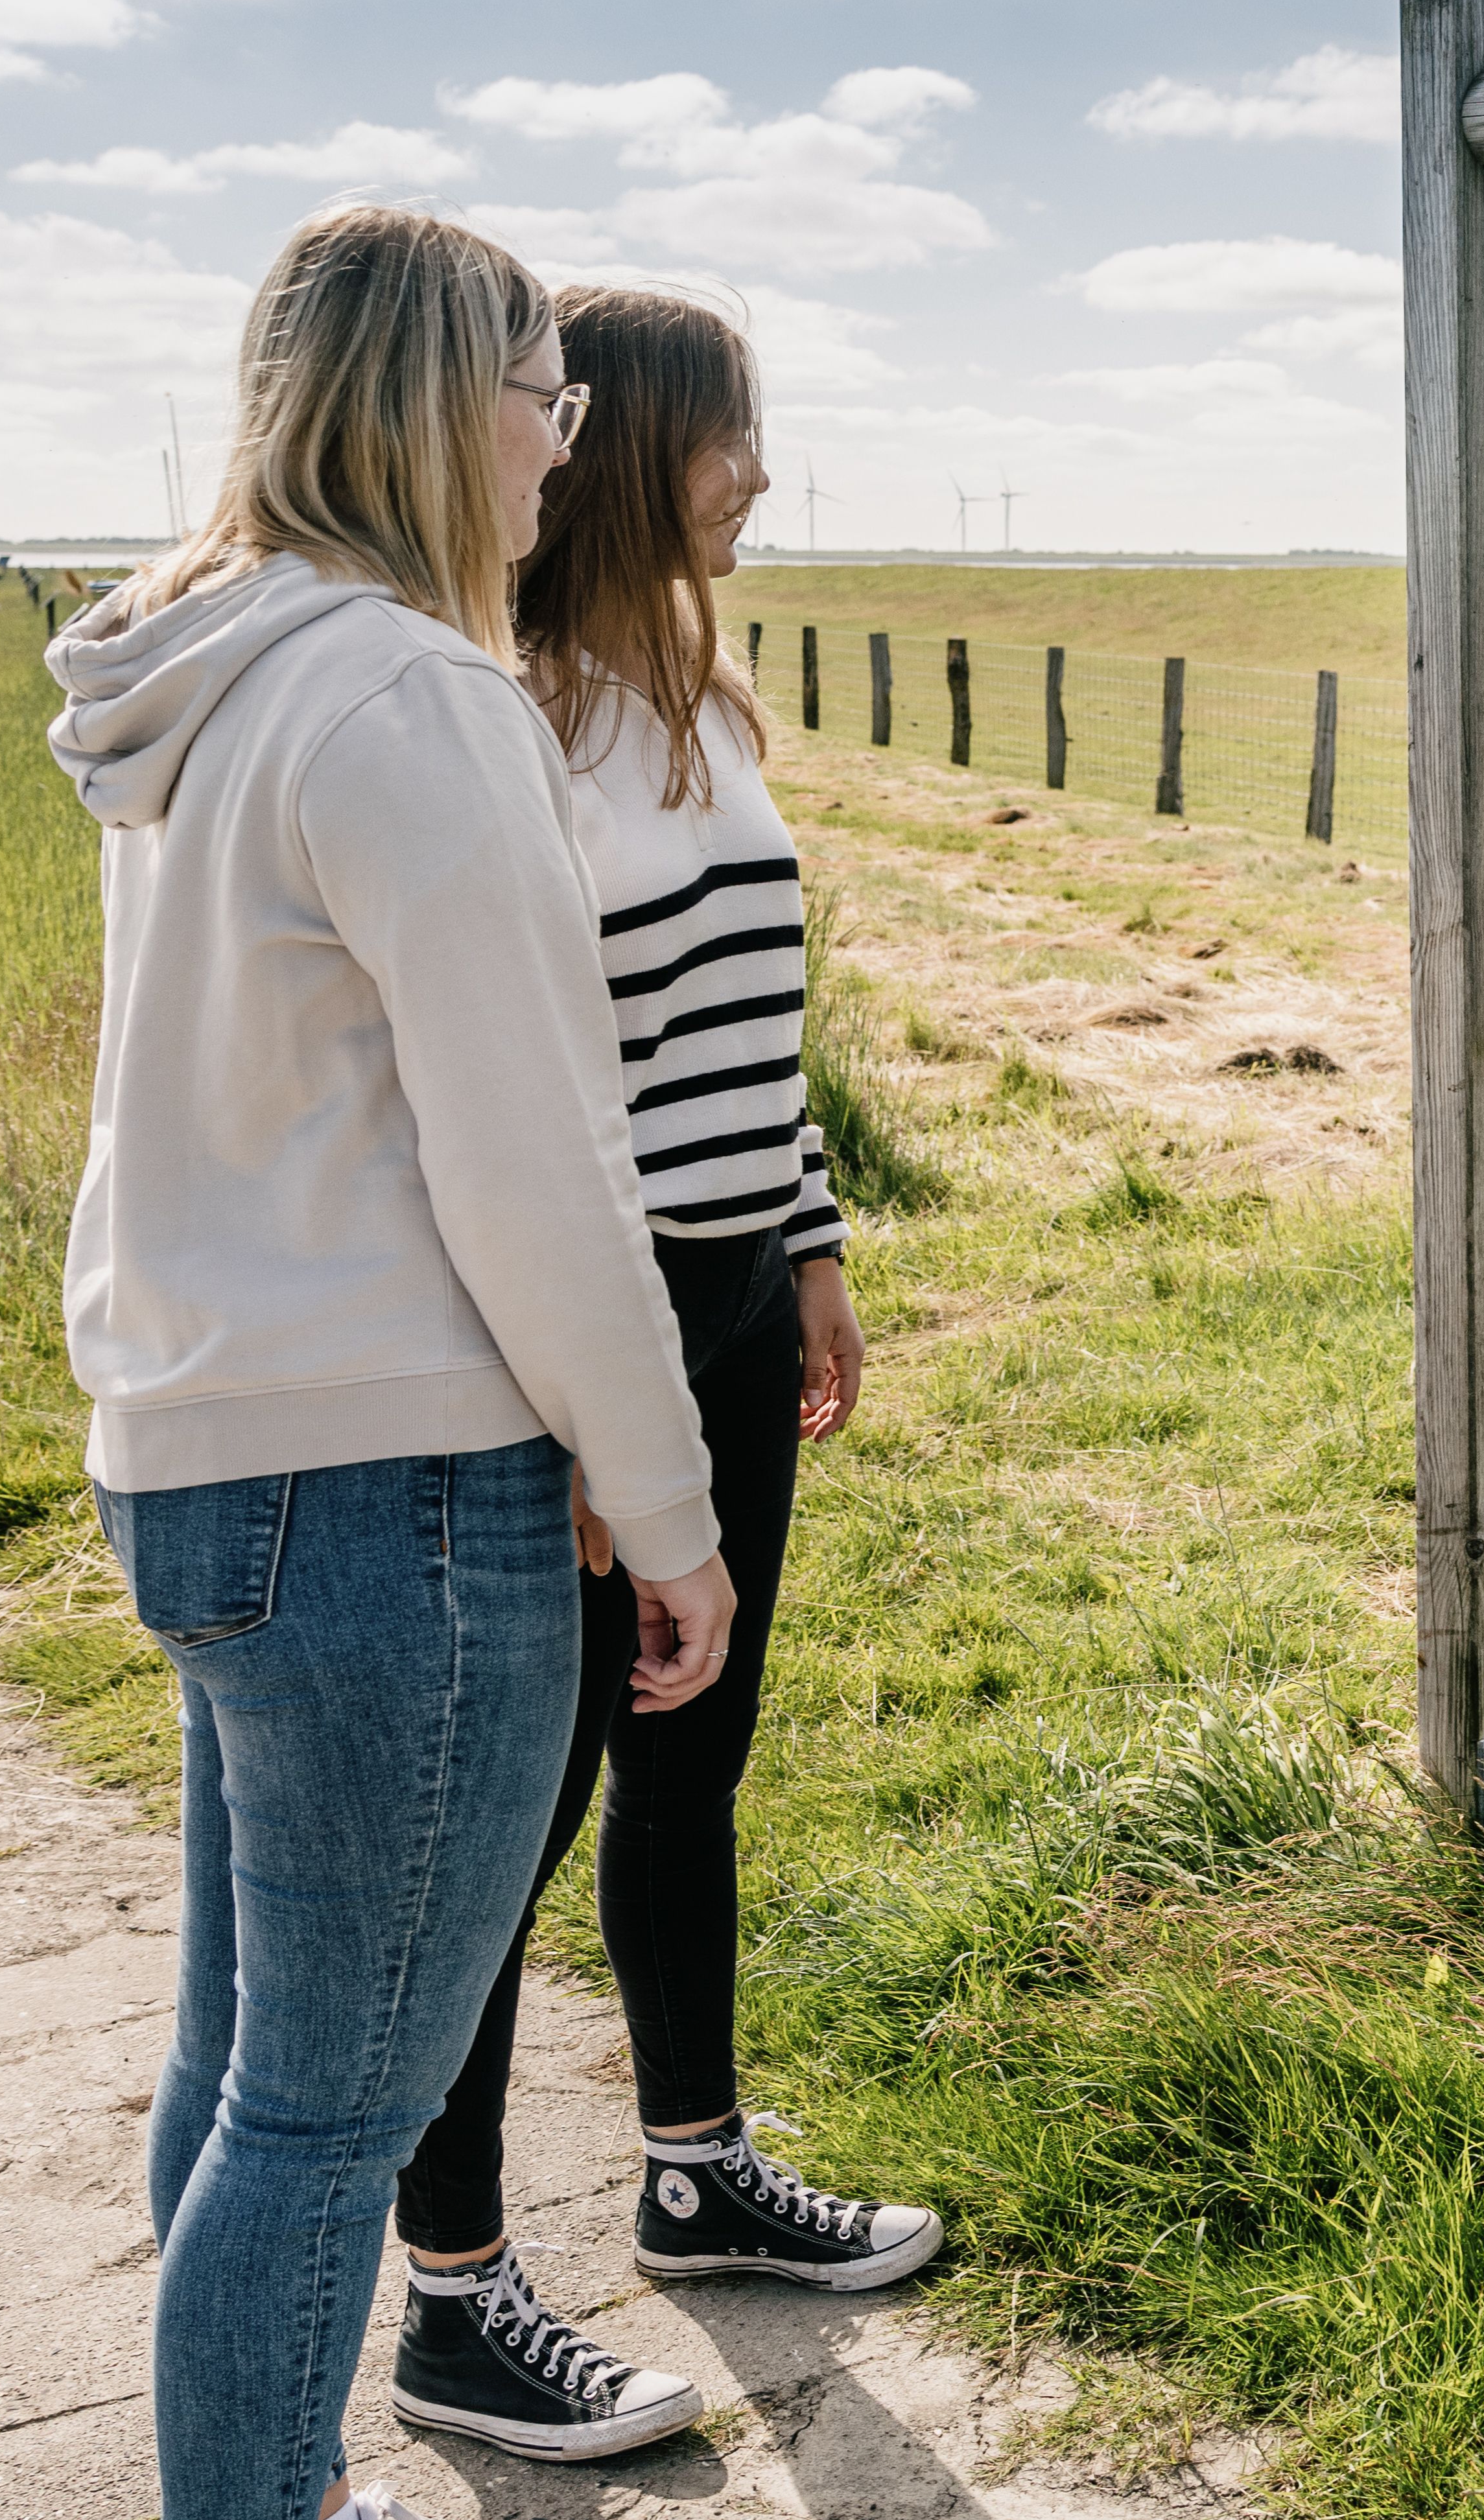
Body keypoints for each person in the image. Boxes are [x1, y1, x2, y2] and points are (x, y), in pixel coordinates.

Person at [51, 207, 735, 2520]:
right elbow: (540, 1167)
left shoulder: (201, 676)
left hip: (203, 1449)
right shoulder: (412, 699)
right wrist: (668, 1506)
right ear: (450, 407)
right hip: (393, 1488)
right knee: (332, 2114)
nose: (561, 447)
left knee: (245, 2069)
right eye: (546, 397)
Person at [375, 285, 936, 2465]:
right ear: (617, 452)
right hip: (574, 1331)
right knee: (514, 1821)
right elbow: (537, 1112)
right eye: (725, 435)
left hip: (725, 1301)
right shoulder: (508, 728)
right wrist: (587, 1420)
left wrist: (807, 1244)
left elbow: (744, 1041)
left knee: (695, 1758)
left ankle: (697, 2171)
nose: (757, 475)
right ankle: (454, 2293)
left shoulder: (706, 703)